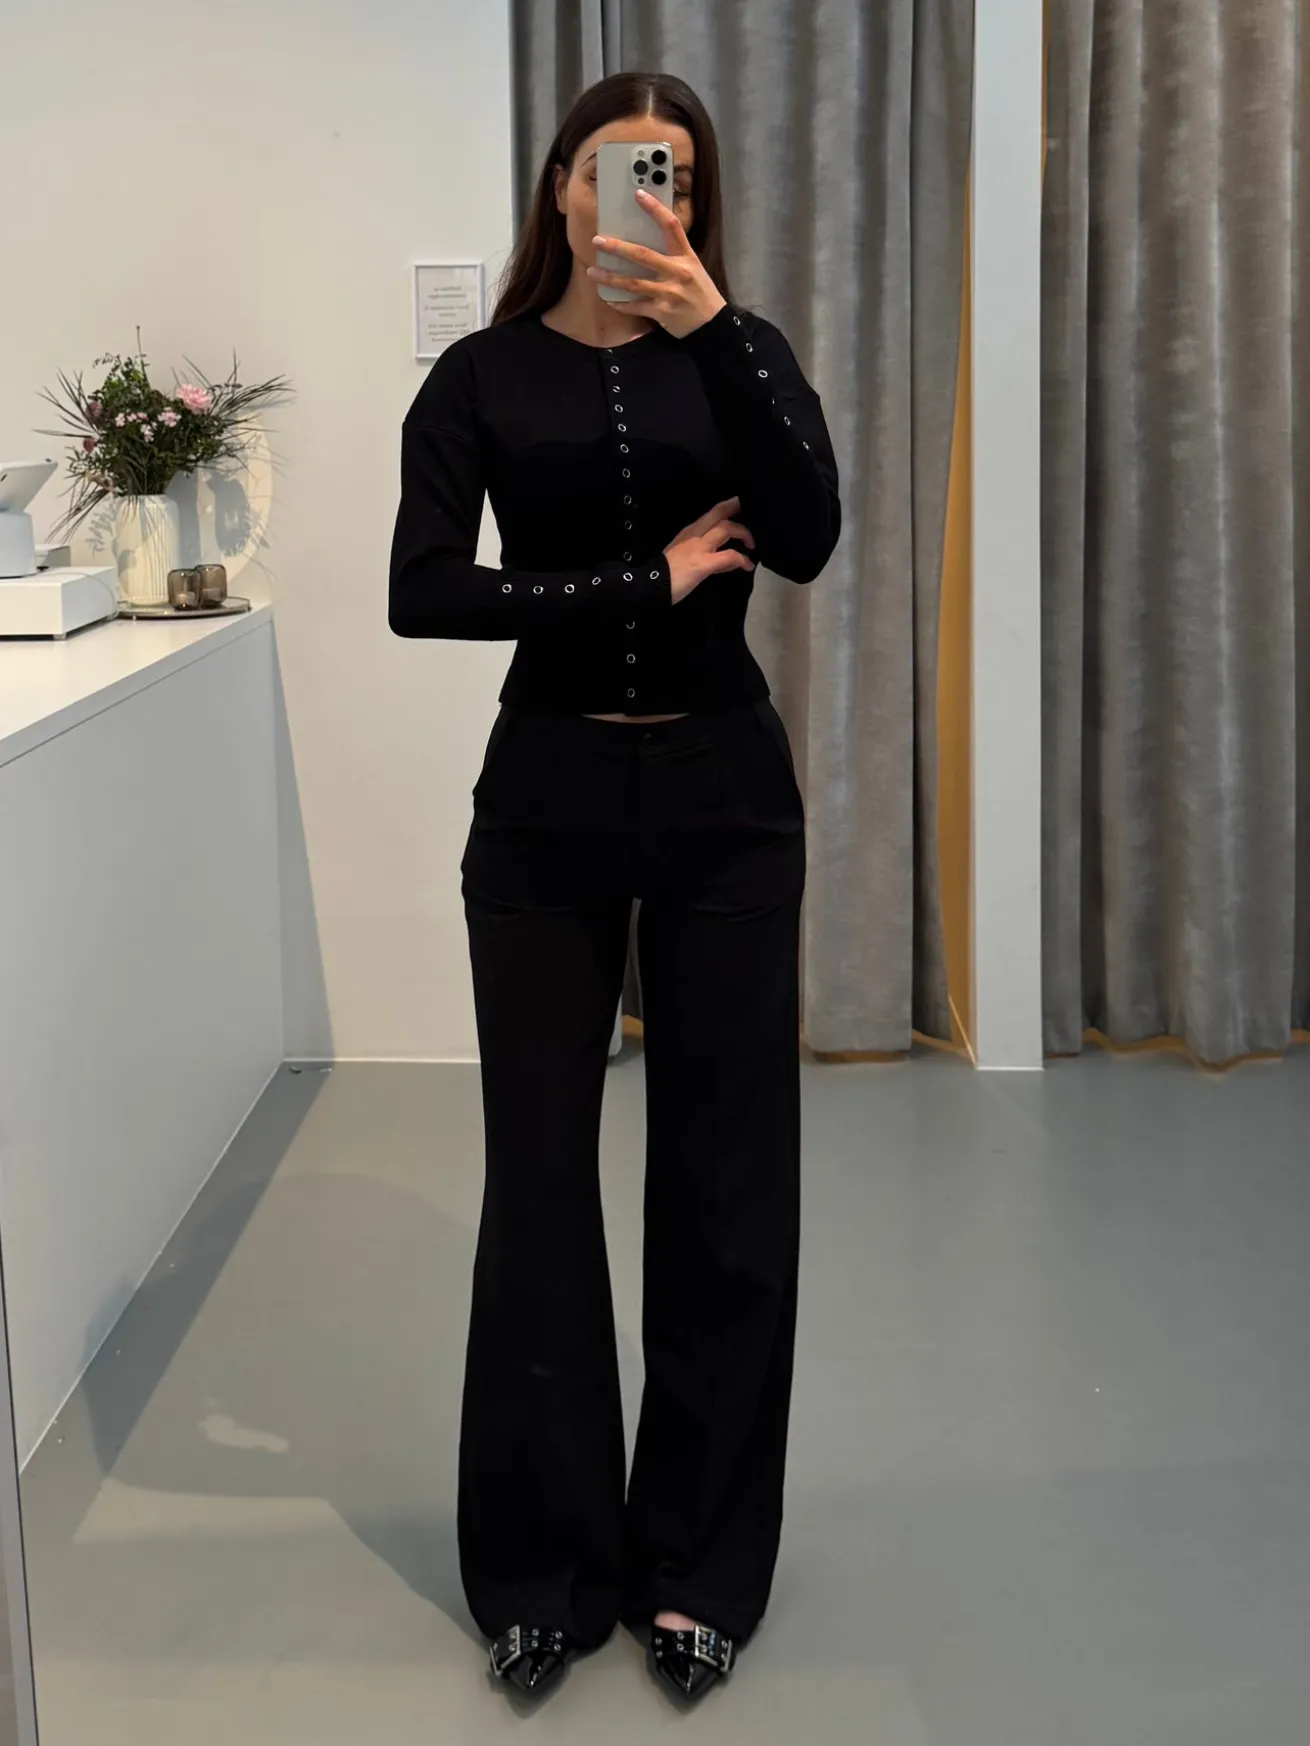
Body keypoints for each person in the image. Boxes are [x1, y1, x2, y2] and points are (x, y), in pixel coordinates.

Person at [388, 69, 839, 1703]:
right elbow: (422, 590)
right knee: (537, 1191)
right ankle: (541, 1570)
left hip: (725, 804)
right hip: (545, 809)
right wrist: (636, 581)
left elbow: (808, 532)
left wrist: (716, 327)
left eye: (677, 177)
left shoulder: (745, 350)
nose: (647, 196)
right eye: (615, 168)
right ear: (561, 188)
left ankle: (700, 1566)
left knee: (727, 1193)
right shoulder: (479, 374)